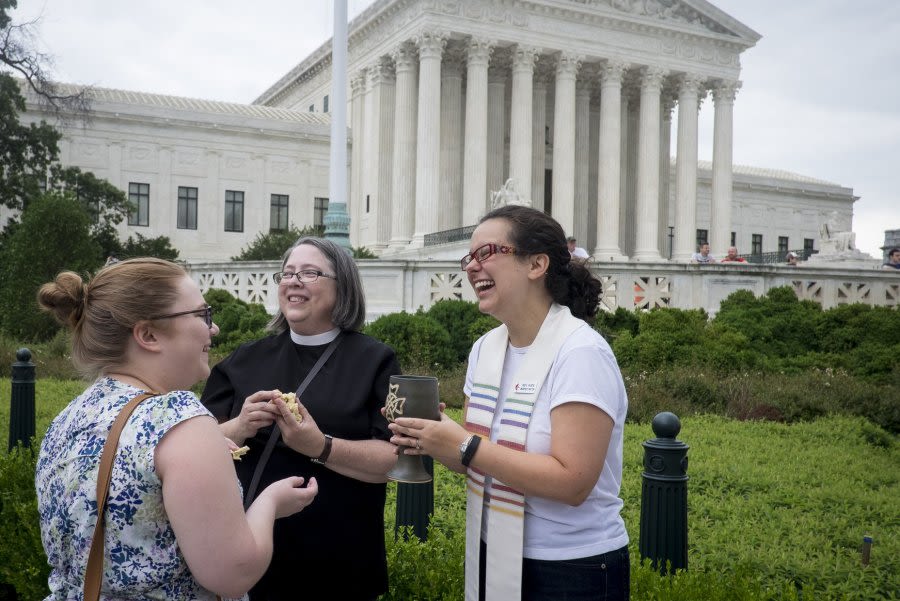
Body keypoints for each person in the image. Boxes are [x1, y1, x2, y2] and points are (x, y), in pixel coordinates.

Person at [35, 258, 318, 601]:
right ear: (148, 334)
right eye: (202, 315)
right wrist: (270, 503)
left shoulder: (70, 417)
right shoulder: (179, 419)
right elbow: (233, 574)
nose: (212, 329)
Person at [389, 205, 630, 601]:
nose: (471, 267)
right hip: (494, 551)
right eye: (469, 257)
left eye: (487, 253)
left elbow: (573, 482)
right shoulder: (486, 349)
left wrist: (465, 444)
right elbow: (477, 462)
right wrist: (427, 435)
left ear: (536, 264)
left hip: (571, 569)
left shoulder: (580, 352)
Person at [201, 237, 401, 601]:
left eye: (310, 273)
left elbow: (393, 461)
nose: (294, 281)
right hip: (252, 557)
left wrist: (320, 446)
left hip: (340, 562)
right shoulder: (246, 358)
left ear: (342, 287)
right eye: (288, 273)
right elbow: (197, 446)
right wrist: (241, 426)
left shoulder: (374, 361)